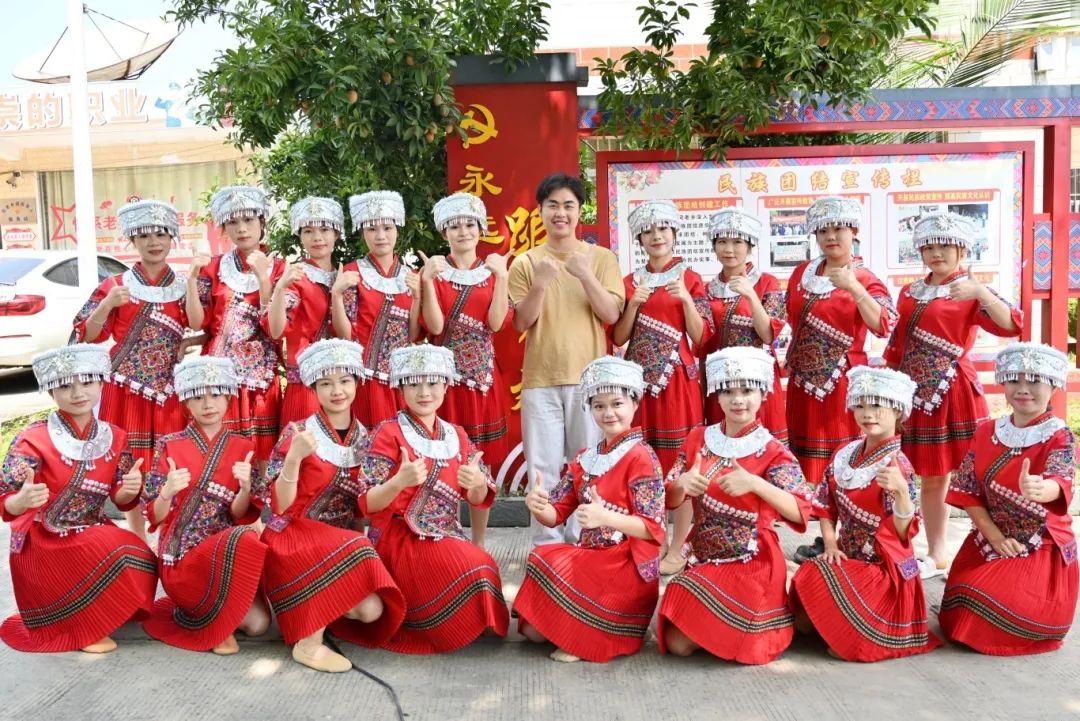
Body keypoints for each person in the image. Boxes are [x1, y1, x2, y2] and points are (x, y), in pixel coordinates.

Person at [883, 213, 1021, 578]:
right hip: (915, 394)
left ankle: (992, 546)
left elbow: (1012, 324)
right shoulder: (909, 292)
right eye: (929, 246)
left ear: (962, 249)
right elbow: (897, 345)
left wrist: (981, 293)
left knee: (975, 475)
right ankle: (937, 552)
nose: (936, 253)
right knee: (931, 476)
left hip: (955, 390)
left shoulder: (969, 288)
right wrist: (892, 392)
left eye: (945, 245)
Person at [257, 339, 405, 672]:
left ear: (357, 383)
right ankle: (308, 643)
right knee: (356, 546)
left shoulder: (368, 439)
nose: (337, 391)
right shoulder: (298, 432)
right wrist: (294, 458)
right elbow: (279, 505)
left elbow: (361, 510)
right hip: (293, 537)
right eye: (326, 384)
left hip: (339, 546)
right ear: (313, 388)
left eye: (344, 381)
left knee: (371, 611)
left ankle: (316, 608)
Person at [658, 347, 811, 664]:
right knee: (675, 642)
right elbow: (669, 499)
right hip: (704, 558)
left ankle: (749, 620)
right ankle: (726, 625)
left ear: (763, 394)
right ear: (717, 395)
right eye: (728, 391)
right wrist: (682, 484)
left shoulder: (773, 450)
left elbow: (800, 511)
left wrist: (756, 484)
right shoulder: (699, 438)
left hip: (753, 560)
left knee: (685, 639)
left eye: (747, 391)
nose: (738, 400)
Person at [0, 344, 156, 653]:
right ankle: (79, 624)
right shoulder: (33, 438)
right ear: (50, 392)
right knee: (112, 545)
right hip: (45, 539)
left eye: (87, 382)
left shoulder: (115, 435)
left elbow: (121, 499)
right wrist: (22, 500)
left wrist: (129, 489)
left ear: (101, 383)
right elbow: (6, 502)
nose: (77, 393)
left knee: (143, 558)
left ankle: (97, 613)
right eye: (65, 386)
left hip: (91, 531)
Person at [358, 345, 508, 653]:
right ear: (401, 388)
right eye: (414, 384)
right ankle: (435, 626)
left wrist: (477, 482)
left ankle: (457, 622)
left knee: (483, 567)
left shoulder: (457, 435)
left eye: (432, 382)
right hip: (399, 538)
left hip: (447, 536)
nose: (424, 392)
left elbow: (479, 497)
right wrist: (398, 482)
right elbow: (366, 503)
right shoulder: (388, 433)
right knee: (475, 568)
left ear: (446, 386)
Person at [515, 356, 664, 663]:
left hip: (626, 561)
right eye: (599, 406)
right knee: (533, 627)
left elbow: (653, 528)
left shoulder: (642, 457)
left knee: (554, 567)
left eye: (617, 404)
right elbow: (555, 513)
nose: (608, 413)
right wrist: (537, 504)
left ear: (635, 404)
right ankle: (602, 627)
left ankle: (592, 636)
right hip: (592, 557)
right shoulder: (586, 457)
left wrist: (606, 518)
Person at [789, 366, 942, 661]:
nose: (867, 414)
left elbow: (902, 535)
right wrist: (830, 544)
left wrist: (901, 495)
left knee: (839, 647)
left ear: (898, 411)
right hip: (845, 558)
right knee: (803, 623)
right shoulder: (844, 453)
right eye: (860, 406)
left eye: (877, 405)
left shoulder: (899, 467)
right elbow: (825, 506)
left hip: (883, 569)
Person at [508, 173, 625, 546]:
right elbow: (521, 323)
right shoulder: (526, 262)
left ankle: (582, 538)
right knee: (542, 466)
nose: (560, 213)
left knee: (587, 462)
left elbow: (611, 315)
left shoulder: (601, 259)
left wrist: (585, 275)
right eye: (552, 205)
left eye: (568, 205)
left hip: (590, 383)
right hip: (540, 380)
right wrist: (541, 282)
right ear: (541, 211)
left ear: (579, 211)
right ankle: (546, 544)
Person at [939, 343, 1077, 655]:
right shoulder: (986, 431)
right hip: (991, 539)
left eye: (1034, 381)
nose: (1023, 389)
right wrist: (996, 538)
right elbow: (968, 491)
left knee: (983, 602)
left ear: (1053, 386)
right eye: (1014, 380)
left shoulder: (1060, 436)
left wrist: (1041, 488)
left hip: (1040, 544)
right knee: (962, 602)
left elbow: (1060, 480)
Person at [786, 197, 896, 564]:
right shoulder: (801, 274)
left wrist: (854, 288)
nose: (831, 236)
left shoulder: (865, 277)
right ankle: (827, 535)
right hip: (804, 383)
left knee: (843, 459)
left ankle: (849, 536)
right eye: (824, 230)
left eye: (839, 229)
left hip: (843, 383)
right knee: (812, 462)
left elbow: (883, 324)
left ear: (853, 232)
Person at [73, 199, 189, 543]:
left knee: (169, 460)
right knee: (129, 464)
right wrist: (107, 305)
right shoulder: (115, 285)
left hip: (169, 390)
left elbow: (202, 325)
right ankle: (136, 538)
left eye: (161, 234)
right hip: (125, 388)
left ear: (172, 239)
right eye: (145, 235)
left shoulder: (185, 287)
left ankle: (167, 533)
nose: (154, 242)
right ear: (133, 241)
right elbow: (87, 334)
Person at [141, 357, 269, 655]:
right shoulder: (170, 444)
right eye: (198, 397)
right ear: (187, 403)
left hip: (225, 550)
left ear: (229, 398)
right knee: (246, 538)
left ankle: (210, 612)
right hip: (183, 552)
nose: (208, 404)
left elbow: (239, 515)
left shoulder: (243, 446)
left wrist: (245, 489)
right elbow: (154, 516)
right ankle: (210, 619)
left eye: (216, 395)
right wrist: (166, 493)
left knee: (259, 625)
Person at [610, 200, 706, 576]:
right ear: (639, 239)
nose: (656, 236)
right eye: (648, 231)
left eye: (663, 229)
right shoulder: (630, 282)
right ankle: (652, 540)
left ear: (674, 233)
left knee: (679, 460)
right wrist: (633, 306)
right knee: (643, 459)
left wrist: (687, 301)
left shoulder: (690, 278)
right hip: (639, 385)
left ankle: (679, 545)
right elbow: (618, 337)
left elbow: (701, 337)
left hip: (679, 382)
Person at [417, 192, 511, 547]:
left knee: (480, 462)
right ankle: (448, 538)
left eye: (469, 224)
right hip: (446, 385)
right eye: (454, 226)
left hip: (484, 380)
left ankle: (479, 542)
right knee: (445, 457)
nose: (463, 232)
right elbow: (435, 328)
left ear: (481, 228)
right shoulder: (436, 273)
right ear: (444, 233)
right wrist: (427, 282)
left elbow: (497, 324)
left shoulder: (493, 271)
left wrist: (502, 277)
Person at [187, 186, 284, 463]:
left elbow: (274, 329)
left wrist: (263, 278)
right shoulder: (212, 267)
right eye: (232, 222)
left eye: (249, 220)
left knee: (262, 456)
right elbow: (197, 322)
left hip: (261, 377)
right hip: (219, 376)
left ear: (262, 222)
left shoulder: (279, 268)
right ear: (223, 228)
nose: (241, 228)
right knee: (221, 456)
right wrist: (191, 279)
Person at [330, 190, 421, 427]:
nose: (381, 236)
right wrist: (337, 295)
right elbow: (345, 336)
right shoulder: (352, 273)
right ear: (363, 233)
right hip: (364, 381)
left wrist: (418, 296)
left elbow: (413, 336)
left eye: (387, 228)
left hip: (401, 380)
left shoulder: (411, 276)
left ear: (397, 230)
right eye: (372, 229)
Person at [701, 207, 786, 441]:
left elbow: (768, 335)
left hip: (756, 380)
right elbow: (704, 342)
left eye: (737, 242)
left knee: (761, 445)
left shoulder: (767, 283)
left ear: (749, 247)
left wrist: (750, 295)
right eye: (722, 242)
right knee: (722, 442)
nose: (729, 249)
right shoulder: (707, 289)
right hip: (720, 380)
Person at [265, 197, 345, 426]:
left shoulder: (346, 275)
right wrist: (280, 288)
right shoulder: (296, 277)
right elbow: (276, 331)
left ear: (336, 234)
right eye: (308, 231)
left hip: (342, 385)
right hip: (306, 385)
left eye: (324, 230)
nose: (317, 237)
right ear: (299, 236)